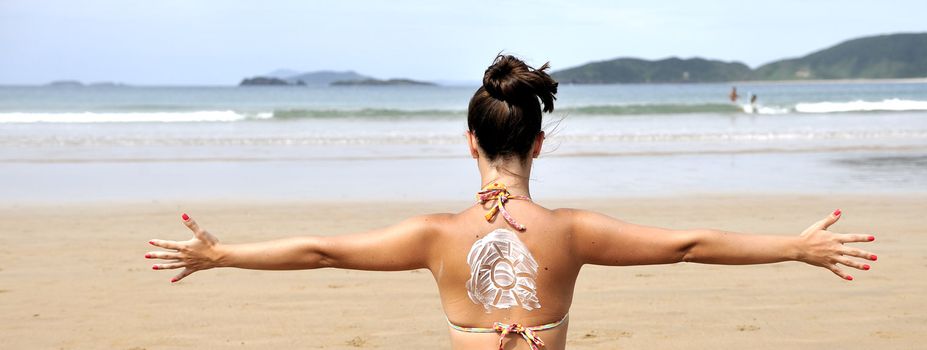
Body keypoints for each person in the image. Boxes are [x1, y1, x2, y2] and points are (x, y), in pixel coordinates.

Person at [146, 55, 877, 350]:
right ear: (538, 145)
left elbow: (321, 251)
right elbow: (688, 244)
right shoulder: (574, 233)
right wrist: (796, 246)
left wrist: (220, 255)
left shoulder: (435, 237)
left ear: (470, 143)